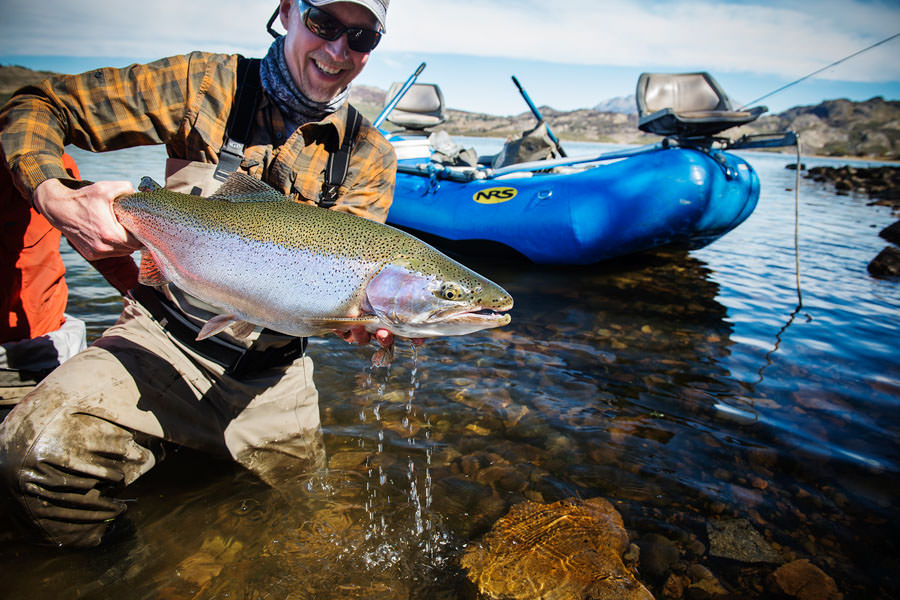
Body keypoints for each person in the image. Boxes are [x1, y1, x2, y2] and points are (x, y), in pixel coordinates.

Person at [0, 0, 396, 548]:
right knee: (31, 458)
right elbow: (38, 105)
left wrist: (352, 320)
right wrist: (54, 197)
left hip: (272, 373)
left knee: (304, 525)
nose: (338, 50)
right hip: (158, 339)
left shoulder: (368, 154)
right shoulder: (203, 84)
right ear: (286, 12)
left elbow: (341, 278)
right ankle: (124, 569)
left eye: (361, 37)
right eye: (323, 24)